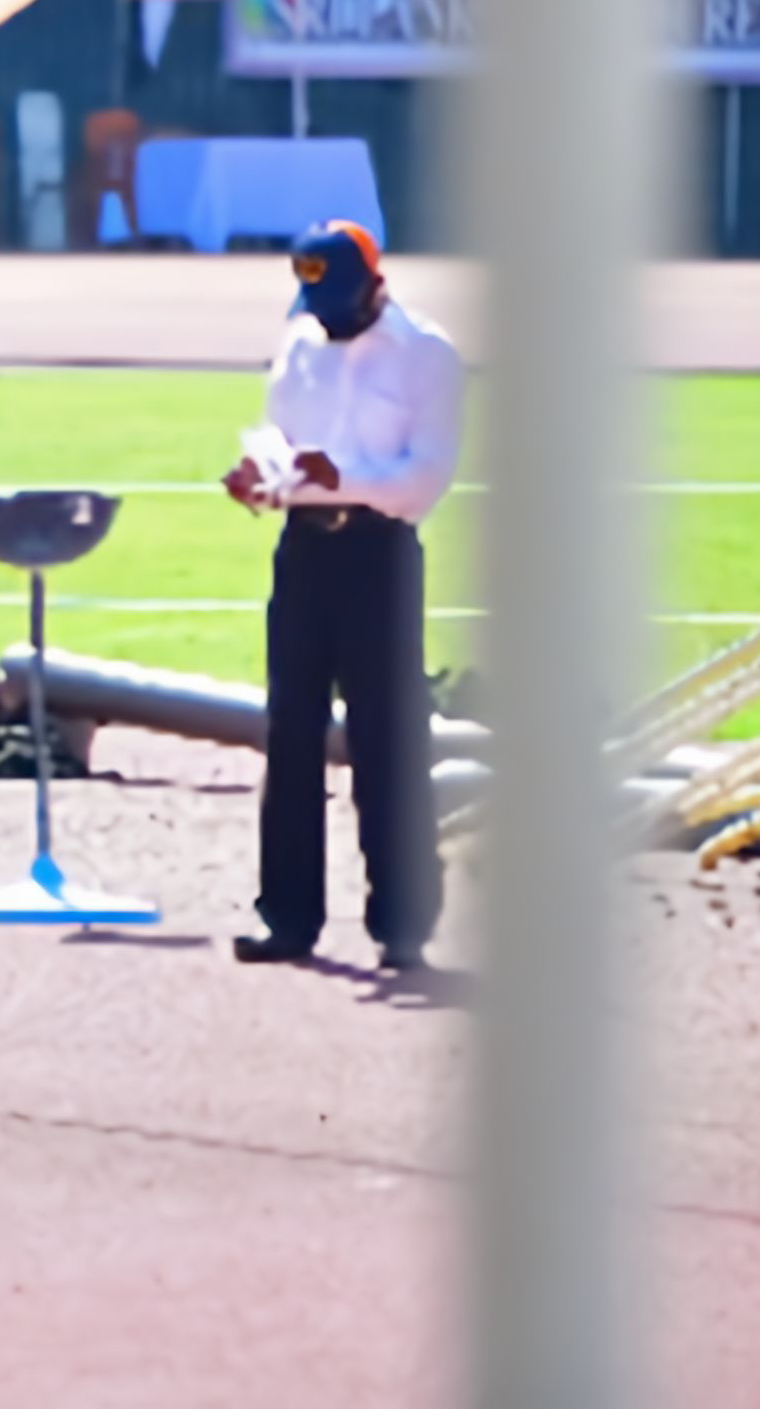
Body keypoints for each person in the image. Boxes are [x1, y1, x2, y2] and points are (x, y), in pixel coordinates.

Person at [222, 222, 463, 976]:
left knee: (387, 736)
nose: (324, 316)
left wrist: (342, 478)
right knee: (289, 731)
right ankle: (287, 915)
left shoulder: (427, 356)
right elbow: (279, 433)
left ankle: (403, 924)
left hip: (376, 554)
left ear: (373, 282)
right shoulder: (300, 345)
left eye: (336, 298)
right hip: (303, 549)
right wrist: (263, 475)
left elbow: (423, 481)